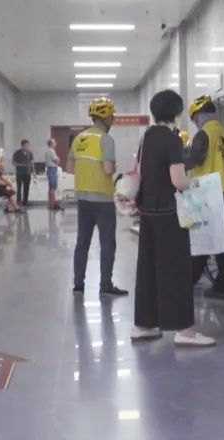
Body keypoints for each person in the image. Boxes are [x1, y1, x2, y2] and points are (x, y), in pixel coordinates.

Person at [132, 90, 216, 347]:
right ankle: (185, 331)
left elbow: (141, 172)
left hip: (148, 213)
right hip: (170, 215)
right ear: (177, 113)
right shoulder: (172, 140)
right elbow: (178, 181)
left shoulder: (146, 137)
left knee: (148, 270)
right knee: (177, 271)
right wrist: (198, 184)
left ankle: (143, 326)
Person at [185, 95, 224, 300]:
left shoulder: (203, 135)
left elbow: (193, 160)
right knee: (223, 241)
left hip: (208, 196)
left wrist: (178, 161)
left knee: (205, 240)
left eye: (195, 118)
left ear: (200, 116)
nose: (195, 122)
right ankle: (214, 282)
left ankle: (213, 285)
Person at [67, 97, 128, 297]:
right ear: (106, 117)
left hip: (83, 199)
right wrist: (113, 167)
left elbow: (70, 168)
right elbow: (108, 170)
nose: (113, 119)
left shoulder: (79, 138)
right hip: (103, 200)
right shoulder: (106, 139)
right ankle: (105, 286)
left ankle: (78, 286)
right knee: (107, 244)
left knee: (82, 243)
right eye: (112, 116)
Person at [12, 140, 34, 207]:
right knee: (19, 188)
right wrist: (21, 165)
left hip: (27, 173)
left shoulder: (30, 153)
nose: (27, 147)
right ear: (22, 145)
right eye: (26, 145)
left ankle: (25, 202)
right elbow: (13, 162)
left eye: (28, 145)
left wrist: (33, 171)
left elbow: (32, 162)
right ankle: (18, 202)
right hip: (19, 173)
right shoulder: (17, 153)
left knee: (26, 187)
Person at [45, 138, 62, 210]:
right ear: (51, 144)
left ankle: (50, 204)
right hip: (52, 169)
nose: (56, 144)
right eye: (54, 142)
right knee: (53, 187)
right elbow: (56, 161)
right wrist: (58, 159)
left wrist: (57, 159)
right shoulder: (51, 151)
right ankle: (53, 204)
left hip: (51, 169)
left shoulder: (49, 151)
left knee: (51, 187)